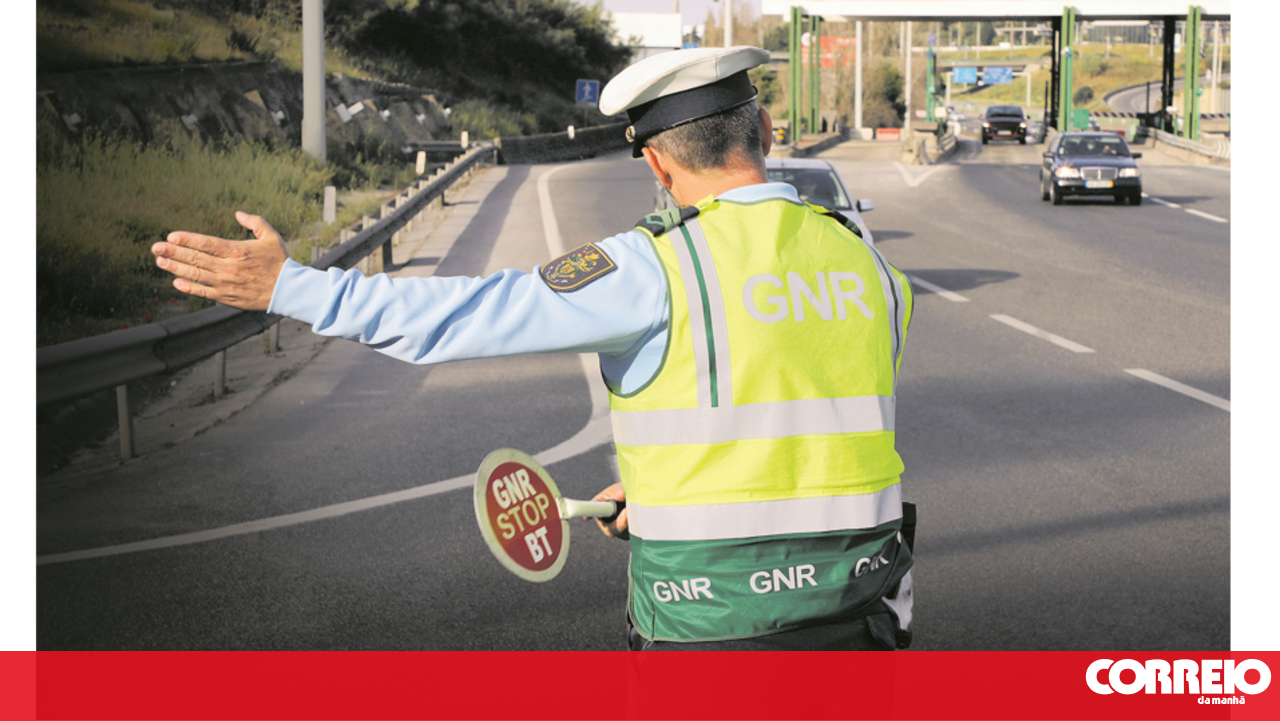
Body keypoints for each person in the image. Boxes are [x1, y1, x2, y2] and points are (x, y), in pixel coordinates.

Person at [151, 46, 916, 651]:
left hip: (710, 633)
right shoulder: (870, 268)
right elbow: (795, 424)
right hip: (862, 622)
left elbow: (466, 315)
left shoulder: (655, 265)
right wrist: (663, 500)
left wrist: (292, 287)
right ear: (768, 131)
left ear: (655, 161)